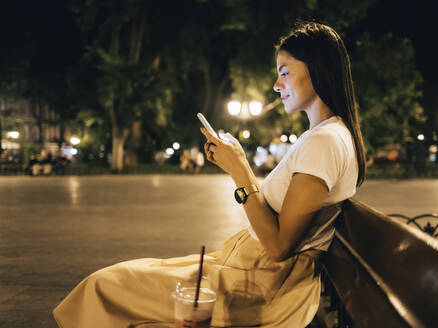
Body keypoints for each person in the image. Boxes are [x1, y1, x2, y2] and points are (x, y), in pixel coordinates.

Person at [53, 22, 366, 328]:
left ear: (319, 71)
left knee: (103, 286)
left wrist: (240, 173)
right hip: (245, 268)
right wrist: (240, 164)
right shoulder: (326, 136)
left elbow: (279, 248)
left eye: (285, 73)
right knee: (120, 277)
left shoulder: (325, 142)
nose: (276, 85)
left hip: (260, 284)